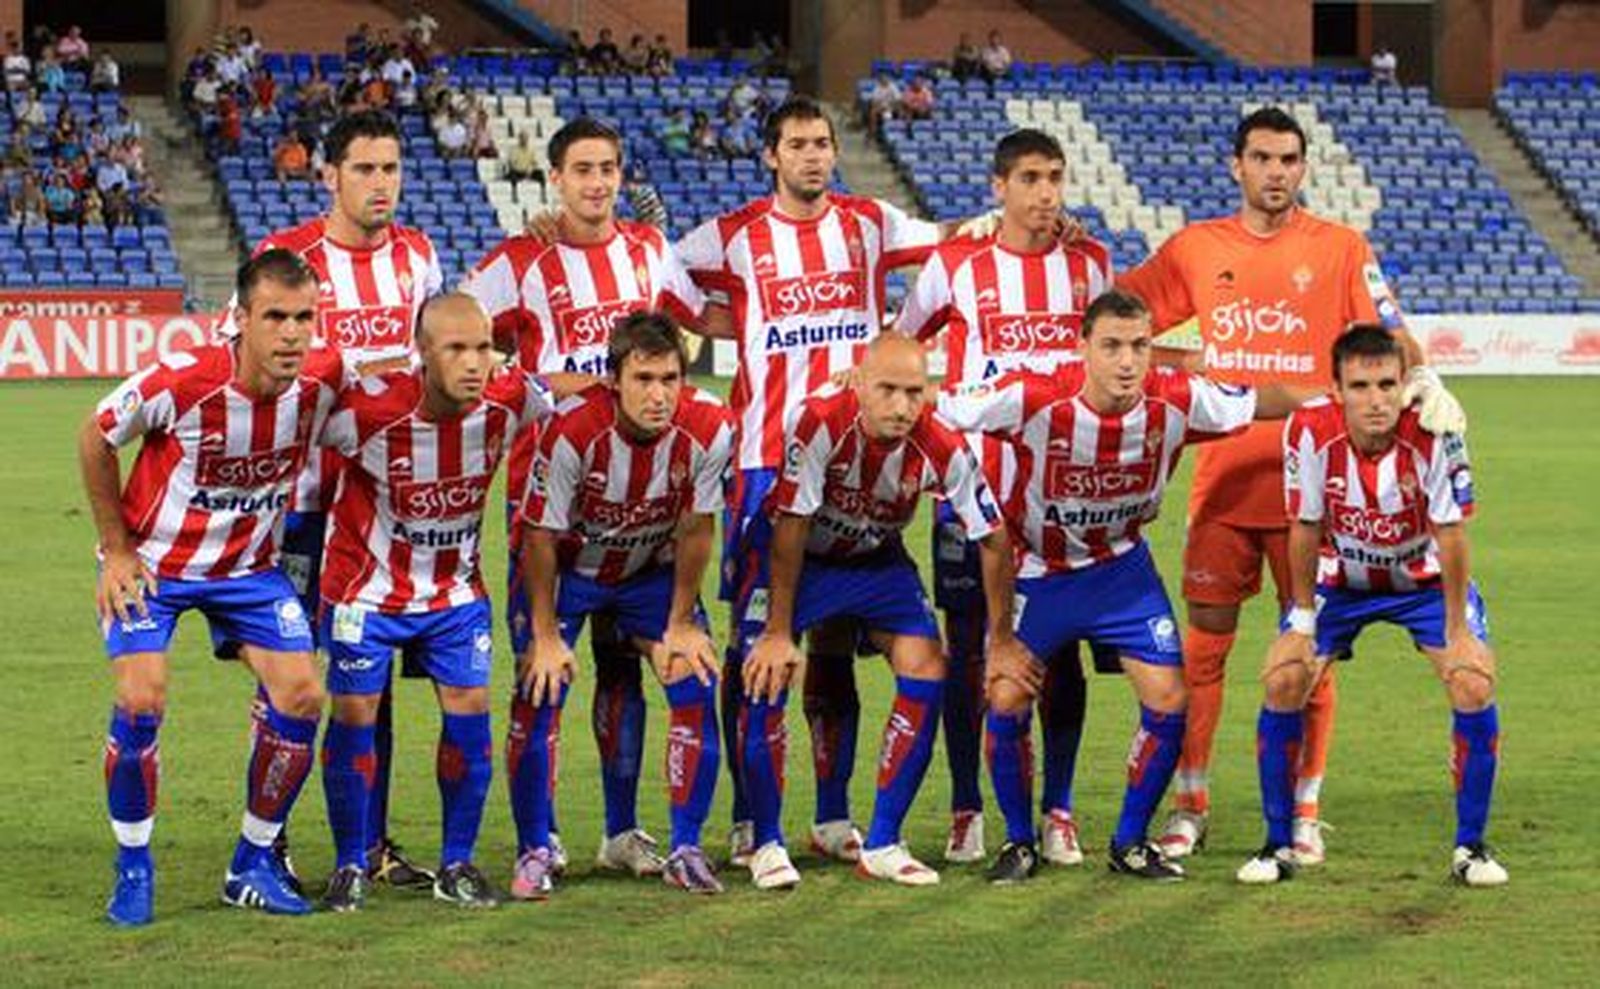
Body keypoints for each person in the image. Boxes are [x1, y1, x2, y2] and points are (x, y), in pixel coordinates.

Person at [1117, 106, 1466, 866]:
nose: (1276, 172)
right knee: (1203, 654)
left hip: (1321, 491)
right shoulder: (1195, 248)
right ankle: (1191, 805)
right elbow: (1120, 317)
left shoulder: (1339, 249)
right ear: (1236, 165)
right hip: (1224, 485)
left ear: (1304, 169)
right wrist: (1177, 367)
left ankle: (1305, 811)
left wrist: (1427, 375)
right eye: (1263, 158)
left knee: (1311, 653)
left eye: (1289, 160)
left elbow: (1391, 328)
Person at [677, 96, 1003, 869]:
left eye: (823, 142)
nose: (815, 155)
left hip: (863, 445)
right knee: (755, 641)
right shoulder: (737, 233)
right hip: (766, 457)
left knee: (833, 639)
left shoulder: (869, 223)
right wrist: (728, 321)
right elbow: (662, 275)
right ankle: (752, 821)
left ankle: (830, 815)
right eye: (798, 144)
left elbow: (944, 241)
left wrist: (997, 219)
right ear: (771, 156)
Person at [937, 289, 1319, 883]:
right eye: (1112, 346)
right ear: (1082, 348)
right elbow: (942, 409)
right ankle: (1017, 842)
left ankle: (1130, 842)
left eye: (1139, 346)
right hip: (1041, 571)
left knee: (1170, 698)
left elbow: (1260, 402)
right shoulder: (1035, 397)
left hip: (1122, 572)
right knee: (1008, 696)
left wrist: (1333, 398)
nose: (1126, 361)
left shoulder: (1176, 400)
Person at [463, 117, 721, 883]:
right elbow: (455, 341)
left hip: (641, 517)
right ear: (555, 178)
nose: (598, 182)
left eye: (608, 167)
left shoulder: (647, 249)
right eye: (582, 169)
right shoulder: (521, 259)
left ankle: (627, 833)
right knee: (544, 676)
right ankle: (536, 841)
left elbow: (696, 326)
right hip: (556, 503)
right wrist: (546, 387)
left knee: (626, 671)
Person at [221, 109, 446, 895]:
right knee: (286, 674)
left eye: (390, 168)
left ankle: (370, 840)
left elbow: (435, 360)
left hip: (384, 506)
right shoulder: (289, 261)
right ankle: (268, 840)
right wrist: (363, 359)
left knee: (367, 675)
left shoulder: (418, 256)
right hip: (302, 503)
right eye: (364, 169)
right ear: (331, 175)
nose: (379, 183)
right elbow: (242, 357)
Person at [83, 251, 342, 926]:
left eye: (304, 318)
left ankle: (251, 862)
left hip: (249, 573)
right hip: (155, 567)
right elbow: (96, 433)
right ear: (242, 319)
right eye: (276, 317)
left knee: (304, 692)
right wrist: (115, 549)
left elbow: (394, 379)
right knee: (141, 697)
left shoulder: (321, 379)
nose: (291, 333)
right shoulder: (187, 379)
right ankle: (133, 863)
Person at [315, 294, 588, 912]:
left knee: (470, 714)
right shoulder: (367, 413)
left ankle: (456, 863)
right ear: (422, 354)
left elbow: (566, 387)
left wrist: (626, 383)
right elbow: (293, 425)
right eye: (455, 349)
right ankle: (349, 863)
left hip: (455, 593)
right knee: (355, 716)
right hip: (368, 592)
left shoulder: (509, 397)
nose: (474, 363)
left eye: (484, 347)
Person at [894, 128, 1113, 867]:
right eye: (1029, 177)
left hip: (1063, 498)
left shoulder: (1089, 265)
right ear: (999, 187)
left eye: (1055, 176)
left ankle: (1059, 807)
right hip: (970, 490)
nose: (1046, 191)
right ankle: (966, 806)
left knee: (1062, 648)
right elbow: (901, 345)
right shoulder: (954, 263)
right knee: (966, 650)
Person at [1235, 325, 1506, 887]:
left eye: (1387, 383)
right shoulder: (1308, 429)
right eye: (1360, 386)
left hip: (1423, 583)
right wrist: (1302, 619)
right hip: (1342, 583)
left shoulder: (1433, 432)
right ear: (1336, 389)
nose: (1376, 399)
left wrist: (1458, 629)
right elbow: (1305, 525)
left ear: (1404, 383)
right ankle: (1276, 844)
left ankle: (1471, 849)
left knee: (1473, 681)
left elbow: (1451, 535)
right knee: (1284, 678)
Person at [736, 334, 1008, 889]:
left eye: (913, 392)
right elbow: (791, 526)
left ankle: (880, 839)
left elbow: (994, 536)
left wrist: (1001, 638)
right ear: (858, 384)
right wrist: (779, 631)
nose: (901, 406)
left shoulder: (943, 444)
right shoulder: (820, 422)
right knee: (767, 672)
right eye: (887, 390)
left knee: (928, 664)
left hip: (874, 559)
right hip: (796, 557)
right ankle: (765, 840)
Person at [514, 313, 734, 897]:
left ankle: (679, 847)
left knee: (694, 675)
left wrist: (683, 623)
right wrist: (543, 634)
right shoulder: (571, 431)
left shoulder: (710, 427)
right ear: (614, 379)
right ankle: (538, 844)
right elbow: (538, 535)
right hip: (566, 573)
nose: (659, 394)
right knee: (541, 686)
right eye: (643, 378)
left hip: (647, 575)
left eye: (670, 378)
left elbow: (696, 528)